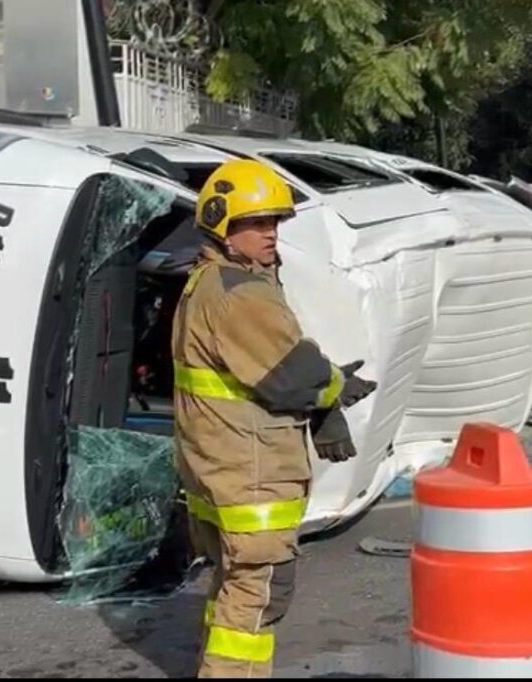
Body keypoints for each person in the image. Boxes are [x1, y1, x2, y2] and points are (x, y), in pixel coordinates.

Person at [171, 158, 378, 678]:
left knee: (234, 588)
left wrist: (320, 387)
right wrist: (333, 389)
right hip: (251, 475)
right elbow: (291, 373)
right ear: (222, 224)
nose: (271, 234)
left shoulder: (208, 282)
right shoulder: (240, 293)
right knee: (258, 598)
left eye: (276, 223)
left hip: (221, 469)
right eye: (257, 223)